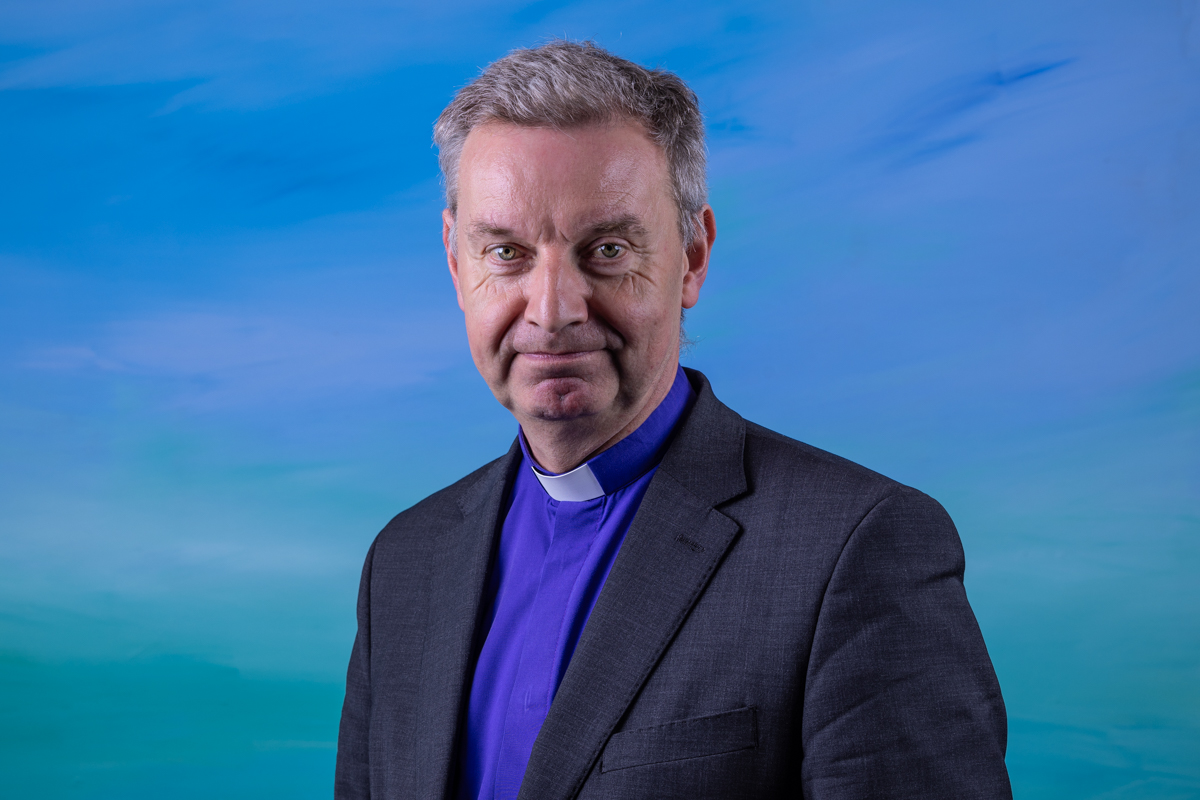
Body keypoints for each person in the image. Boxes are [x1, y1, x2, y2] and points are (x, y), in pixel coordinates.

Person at [335, 40, 1011, 800]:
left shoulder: (857, 552)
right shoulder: (404, 564)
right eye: (507, 252)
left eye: (608, 249)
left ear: (692, 256)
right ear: (459, 266)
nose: (553, 311)